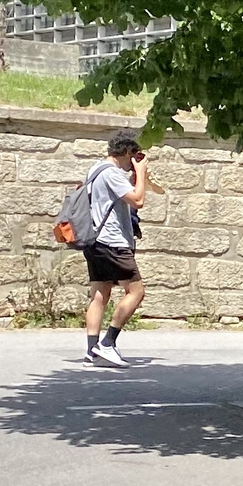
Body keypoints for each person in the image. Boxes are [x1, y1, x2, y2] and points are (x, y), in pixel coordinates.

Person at [80, 134, 149, 366]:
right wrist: (140, 174)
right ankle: (108, 343)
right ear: (128, 152)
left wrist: (132, 176)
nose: (135, 160)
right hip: (113, 242)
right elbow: (137, 200)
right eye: (135, 155)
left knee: (100, 293)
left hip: (94, 240)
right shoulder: (111, 173)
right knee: (136, 292)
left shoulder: (96, 169)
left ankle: (92, 351)